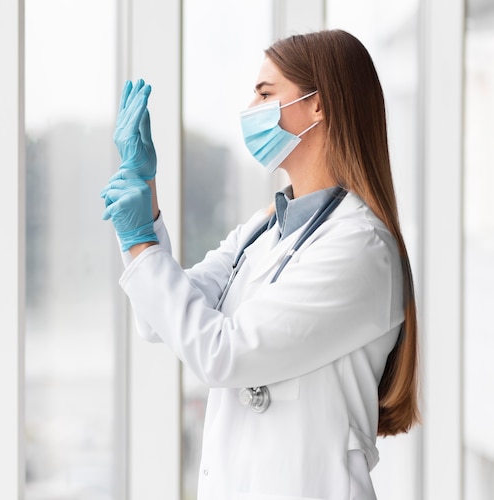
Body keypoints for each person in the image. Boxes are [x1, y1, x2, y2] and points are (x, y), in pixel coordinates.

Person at [100, 29, 419, 500]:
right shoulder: (265, 228)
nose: (251, 107)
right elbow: (161, 320)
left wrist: (142, 243)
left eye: (266, 93)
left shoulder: (361, 248)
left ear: (319, 104)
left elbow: (221, 353)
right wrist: (145, 204)